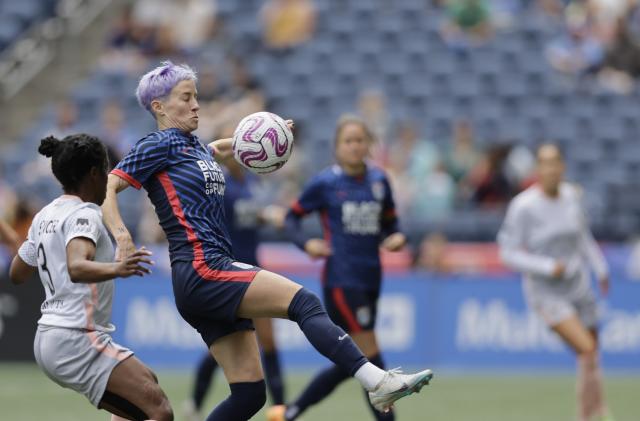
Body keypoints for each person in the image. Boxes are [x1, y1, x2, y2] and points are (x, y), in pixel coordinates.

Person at [102, 61, 432, 421]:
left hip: (203, 275)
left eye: (196, 96)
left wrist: (273, 132)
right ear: (159, 107)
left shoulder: (192, 148)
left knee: (249, 395)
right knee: (303, 302)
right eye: (186, 97)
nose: (196, 104)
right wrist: (123, 237)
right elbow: (111, 185)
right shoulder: (157, 144)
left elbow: (220, 149)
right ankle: (375, 380)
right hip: (203, 268)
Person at [8, 134, 173, 421]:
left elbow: (17, 273)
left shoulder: (45, 215)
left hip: (50, 334)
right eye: (107, 171)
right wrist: (118, 269)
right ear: (95, 174)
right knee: (158, 410)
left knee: (147, 384)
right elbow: (77, 266)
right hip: (75, 337)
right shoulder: (86, 214)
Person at [268, 115, 406, 421]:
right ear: (336, 147)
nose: (355, 146)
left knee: (351, 363)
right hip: (342, 279)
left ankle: (290, 411)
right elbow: (291, 217)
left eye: (360, 140)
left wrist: (395, 236)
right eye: (348, 141)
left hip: (371, 277)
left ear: (369, 144)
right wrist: (307, 245)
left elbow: (390, 222)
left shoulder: (379, 181)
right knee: (372, 357)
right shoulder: (325, 183)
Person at [497, 144, 615, 421]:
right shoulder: (523, 206)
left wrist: (600, 267)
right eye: (544, 163)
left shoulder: (572, 196)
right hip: (546, 292)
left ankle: (593, 409)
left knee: (591, 357)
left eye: (555, 162)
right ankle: (591, 415)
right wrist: (548, 266)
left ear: (562, 167)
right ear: (537, 169)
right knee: (586, 350)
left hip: (579, 285)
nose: (550, 169)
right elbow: (507, 253)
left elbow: (582, 236)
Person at [184, 153, 287, 420]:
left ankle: (282, 409)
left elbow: (249, 217)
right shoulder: (222, 187)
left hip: (253, 267)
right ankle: (195, 404)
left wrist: (266, 216)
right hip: (230, 271)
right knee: (223, 347)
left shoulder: (251, 183)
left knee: (268, 341)